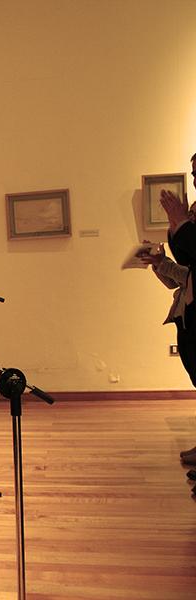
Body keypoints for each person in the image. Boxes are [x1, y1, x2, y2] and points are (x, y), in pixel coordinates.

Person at [159, 153, 196, 470]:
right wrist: (176, 226)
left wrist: (181, 223)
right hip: (189, 312)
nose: (194, 180)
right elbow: (187, 262)